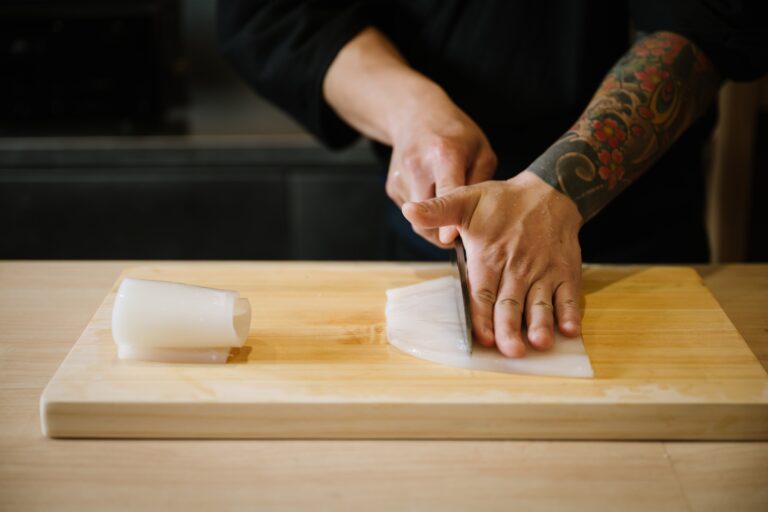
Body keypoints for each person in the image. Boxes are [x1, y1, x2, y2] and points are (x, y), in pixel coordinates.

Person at [217, 1, 767, 357]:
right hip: (430, 209)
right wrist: (411, 112)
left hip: (638, 236)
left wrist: (557, 188)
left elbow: (711, 20)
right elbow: (272, 12)